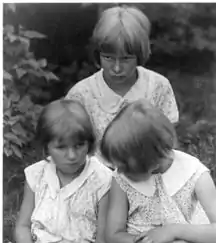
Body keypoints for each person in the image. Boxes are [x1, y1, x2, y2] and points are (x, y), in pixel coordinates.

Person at [100, 99, 216, 243]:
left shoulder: (193, 172)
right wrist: (154, 242)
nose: (119, 170)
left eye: (126, 164)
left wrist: (175, 231)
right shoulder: (121, 179)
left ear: (153, 155)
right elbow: (114, 237)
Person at [3, 99, 112, 243]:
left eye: (79, 145)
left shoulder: (102, 180)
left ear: (90, 142)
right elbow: (23, 226)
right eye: (61, 148)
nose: (72, 155)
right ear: (46, 147)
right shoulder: (37, 175)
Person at [65, 5, 179, 165]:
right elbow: (70, 146)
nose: (117, 68)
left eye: (126, 59)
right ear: (98, 54)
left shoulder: (158, 87)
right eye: (108, 58)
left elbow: (168, 142)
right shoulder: (81, 94)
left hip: (147, 174)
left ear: (139, 55)